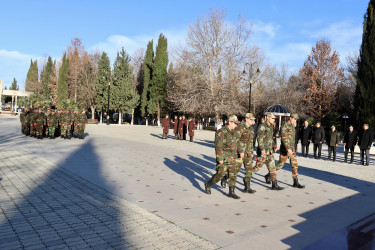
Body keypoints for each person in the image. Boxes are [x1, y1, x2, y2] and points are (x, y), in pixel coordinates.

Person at [205, 115, 241, 199]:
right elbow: (218, 147)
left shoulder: (235, 131)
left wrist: (239, 153)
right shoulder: (221, 132)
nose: (236, 125)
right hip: (224, 157)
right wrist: (220, 159)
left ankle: (231, 192)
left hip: (233, 157)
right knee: (220, 174)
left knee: (233, 175)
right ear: (230, 122)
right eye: (235, 123)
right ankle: (209, 183)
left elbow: (237, 143)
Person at [252, 113, 284, 190]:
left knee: (272, 168)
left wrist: (274, 145)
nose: (274, 120)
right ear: (268, 118)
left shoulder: (271, 127)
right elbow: (259, 138)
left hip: (269, 151)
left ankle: (274, 184)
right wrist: (262, 149)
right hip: (263, 151)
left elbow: (270, 139)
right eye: (273, 118)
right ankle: (247, 177)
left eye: (274, 119)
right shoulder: (262, 126)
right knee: (257, 167)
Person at [275, 113, 305, 188]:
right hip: (285, 149)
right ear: (290, 118)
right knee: (280, 164)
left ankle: (295, 182)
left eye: (296, 119)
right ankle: (270, 175)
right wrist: (288, 148)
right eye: (294, 119)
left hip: (292, 149)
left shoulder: (292, 126)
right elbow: (284, 138)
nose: (295, 121)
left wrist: (293, 148)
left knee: (294, 165)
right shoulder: (285, 126)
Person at [237, 113, 257, 193]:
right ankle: (225, 178)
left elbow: (251, 142)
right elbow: (236, 140)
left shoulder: (251, 129)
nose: (253, 121)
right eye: (251, 119)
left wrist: (251, 152)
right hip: (241, 152)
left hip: (248, 153)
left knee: (249, 169)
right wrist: (241, 151)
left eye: (253, 119)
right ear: (247, 119)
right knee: (235, 170)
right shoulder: (240, 127)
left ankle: (247, 187)